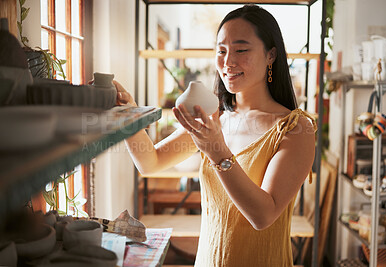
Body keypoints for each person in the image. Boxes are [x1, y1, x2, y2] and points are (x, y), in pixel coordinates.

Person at [115, 4, 317, 266]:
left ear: (271, 55)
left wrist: (217, 151)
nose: (228, 62)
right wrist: (129, 113)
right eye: (221, 51)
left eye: (241, 50)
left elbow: (263, 216)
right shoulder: (216, 117)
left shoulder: (295, 128)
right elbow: (150, 162)